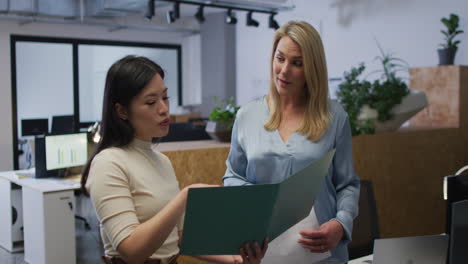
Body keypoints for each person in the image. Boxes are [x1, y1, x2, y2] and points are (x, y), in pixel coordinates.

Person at [81, 55, 267, 264]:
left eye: (165, 97)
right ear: (122, 111)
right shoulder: (108, 164)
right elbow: (131, 251)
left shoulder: (161, 161)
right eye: (151, 102)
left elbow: (179, 239)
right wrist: (185, 197)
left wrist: (235, 260)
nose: (163, 108)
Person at [223, 21, 360, 263]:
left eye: (296, 63)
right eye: (280, 58)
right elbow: (232, 176)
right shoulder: (247, 116)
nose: (284, 70)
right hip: (265, 252)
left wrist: (340, 224)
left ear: (312, 68)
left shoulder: (335, 118)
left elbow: (347, 184)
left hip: (321, 253)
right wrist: (257, 199)